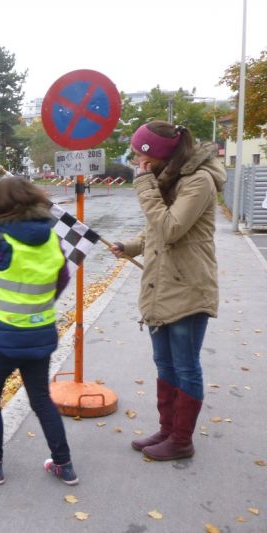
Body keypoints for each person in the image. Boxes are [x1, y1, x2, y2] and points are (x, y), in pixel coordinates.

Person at [110, 120, 225, 461]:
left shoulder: (199, 181)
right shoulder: (169, 178)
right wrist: (130, 246)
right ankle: (168, 429)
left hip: (188, 287)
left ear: (155, 155)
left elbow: (171, 228)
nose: (136, 162)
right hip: (161, 285)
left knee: (185, 366)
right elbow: (154, 229)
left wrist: (145, 185)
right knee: (165, 364)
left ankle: (181, 441)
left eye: (139, 156)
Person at [0, 177, 78, 486]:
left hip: (4, 338)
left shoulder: (0, 238)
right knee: (41, 398)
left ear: (0, 205)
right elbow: (63, 277)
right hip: (40, 334)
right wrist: (41, 305)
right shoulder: (51, 236)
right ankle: (64, 465)